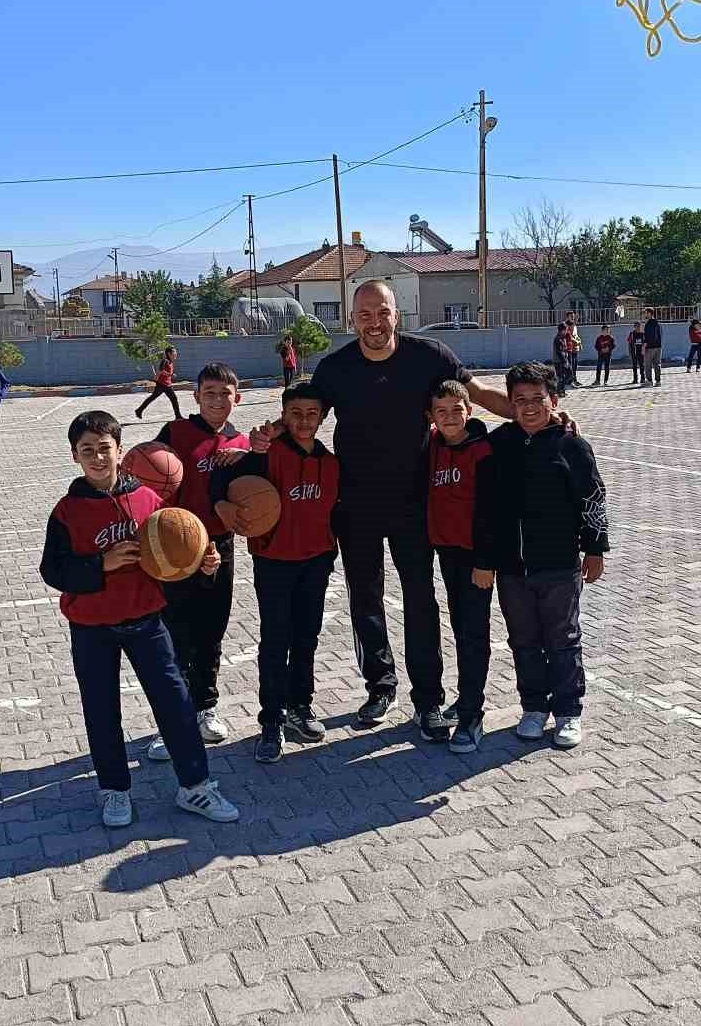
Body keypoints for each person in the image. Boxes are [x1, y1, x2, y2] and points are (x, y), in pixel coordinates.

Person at [250, 281, 569, 743]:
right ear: (351, 317)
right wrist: (266, 434)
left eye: (382, 312)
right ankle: (380, 687)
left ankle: (428, 701)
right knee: (366, 603)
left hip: (415, 505)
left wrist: (535, 416)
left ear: (397, 313)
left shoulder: (431, 356)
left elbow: (478, 393)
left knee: (421, 602)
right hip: (355, 506)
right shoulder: (336, 368)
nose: (374, 323)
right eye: (364, 314)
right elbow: (305, 410)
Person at [39, 410, 239, 827]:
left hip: (147, 621)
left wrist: (203, 563)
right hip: (92, 627)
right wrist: (100, 565)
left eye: (104, 449)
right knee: (101, 708)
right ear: (74, 455)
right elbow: (53, 571)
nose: (97, 457)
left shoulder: (149, 500)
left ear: (120, 451)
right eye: (87, 450)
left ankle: (195, 786)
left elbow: (173, 559)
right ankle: (114, 789)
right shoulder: (66, 511)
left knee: (176, 703)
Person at [211, 383, 339, 764]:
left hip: (316, 560)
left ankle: (301, 706)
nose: (303, 420)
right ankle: (271, 721)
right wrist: (220, 501)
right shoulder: (265, 456)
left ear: (322, 417)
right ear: (283, 415)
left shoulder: (330, 463)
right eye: (295, 413)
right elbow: (223, 477)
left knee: (307, 638)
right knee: (275, 641)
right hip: (275, 563)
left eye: (311, 413)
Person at [491, 363, 609, 750]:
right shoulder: (498, 443)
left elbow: (593, 498)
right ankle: (533, 708)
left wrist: (594, 548)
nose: (528, 408)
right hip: (512, 567)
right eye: (519, 401)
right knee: (523, 639)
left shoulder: (571, 445)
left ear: (553, 400)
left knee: (562, 638)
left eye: (537, 399)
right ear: (510, 404)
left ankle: (569, 712)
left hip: (559, 564)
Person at [147, 364, 250, 759]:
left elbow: (256, 494)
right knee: (173, 635)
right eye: (209, 392)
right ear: (196, 397)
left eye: (225, 393)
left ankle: (206, 706)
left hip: (219, 548)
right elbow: (148, 478)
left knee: (210, 631)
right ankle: (171, 718)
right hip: (174, 545)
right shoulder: (175, 434)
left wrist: (248, 457)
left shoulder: (240, 442)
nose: (217, 400)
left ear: (236, 398)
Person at [427, 380, 494, 754]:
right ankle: (465, 700)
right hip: (447, 553)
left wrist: (486, 561)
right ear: (431, 417)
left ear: (469, 410)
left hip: (475, 557)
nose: (450, 417)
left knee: (473, 634)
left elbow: (490, 512)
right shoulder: (434, 446)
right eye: (442, 411)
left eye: (457, 409)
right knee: (460, 629)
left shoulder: (483, 451)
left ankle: (472, 714)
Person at [135, 347, 181, 420]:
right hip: (162, 384)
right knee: (173, 399)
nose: (176, 354)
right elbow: (161, 370)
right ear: (169, 354)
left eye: (176, 352)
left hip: (166, 384)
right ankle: (178, 416)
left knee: (154, 397)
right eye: (174, 353)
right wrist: (170, 375)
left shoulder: (170, 362)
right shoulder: (165, 361)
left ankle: (139, 410)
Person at [643, 309, 663, 387]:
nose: (645, 314)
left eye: (645, 313)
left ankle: (649, 381)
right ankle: (658, 381)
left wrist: (644, 345)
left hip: (650, 347)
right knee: (657, 364)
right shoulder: (658, 323)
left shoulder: (649, 323)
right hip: (658, 346)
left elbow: (649, 335)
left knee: (648, 364)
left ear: (650, 313)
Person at [552, 324, 573, 397]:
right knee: (561, 377)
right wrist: (565, 362)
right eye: (566, 329)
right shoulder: (558, 339)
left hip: (563, 359)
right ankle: (559, 391)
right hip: (559, 361)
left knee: (566, 376)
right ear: (562, 330)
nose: (567, 331)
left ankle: (561, 390)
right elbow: (559, 352)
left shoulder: (562, 337)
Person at [564, 315, 582, 386]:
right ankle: (570, 381)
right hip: (569, 350)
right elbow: (571, 338)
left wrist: (579, 343)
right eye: (571, 316)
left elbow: (576, 336)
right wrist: (576, 342)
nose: (573, 318)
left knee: (574, 365)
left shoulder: (574, 327)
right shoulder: (566, 330)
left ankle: (574, 380)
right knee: (570, 366)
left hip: (575, 349)